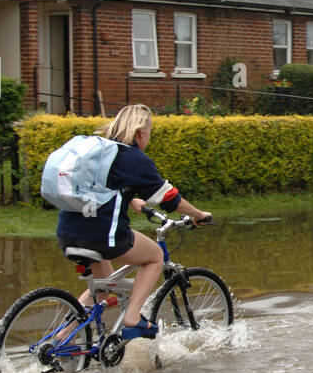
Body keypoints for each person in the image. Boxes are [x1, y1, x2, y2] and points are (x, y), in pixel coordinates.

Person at [55, 104, 212, 339]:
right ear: (140, 132)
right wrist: (198, 214)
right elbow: (169, 198)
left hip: (68, 231)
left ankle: (60, 339)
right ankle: (133, 316)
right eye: (149, 132)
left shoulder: (99, 153)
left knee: (103, 288)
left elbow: (98, 189)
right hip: (102, 234)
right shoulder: (132, 157)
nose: (148, 137)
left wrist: (130, 200)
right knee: (154, 257)